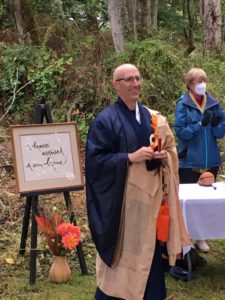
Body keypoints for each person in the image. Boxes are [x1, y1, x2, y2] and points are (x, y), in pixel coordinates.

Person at [86, 63, 191, 300]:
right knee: (125, 253)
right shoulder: (106, 120)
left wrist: (161, 157)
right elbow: (95, 162)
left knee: (148, 250)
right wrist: (129, 158)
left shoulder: (150, 117)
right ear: (116, 85)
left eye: (137, 78)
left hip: (149, 201)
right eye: (128, 79)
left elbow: (166, 150)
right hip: (123, 204)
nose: (135, 84)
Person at [174, 67, 225, 253]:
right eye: (197, 81)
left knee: (205, 200)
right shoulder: (183, 104)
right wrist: (199, 124)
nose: (202, 84)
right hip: (189, 160)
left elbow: (220, 133)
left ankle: (202, 237)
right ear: (190, 84)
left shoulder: (213, 103)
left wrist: (219, 122)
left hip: (210, 158)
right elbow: (181, 133)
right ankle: (186, 237)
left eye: (204, 80)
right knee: (189, 201)